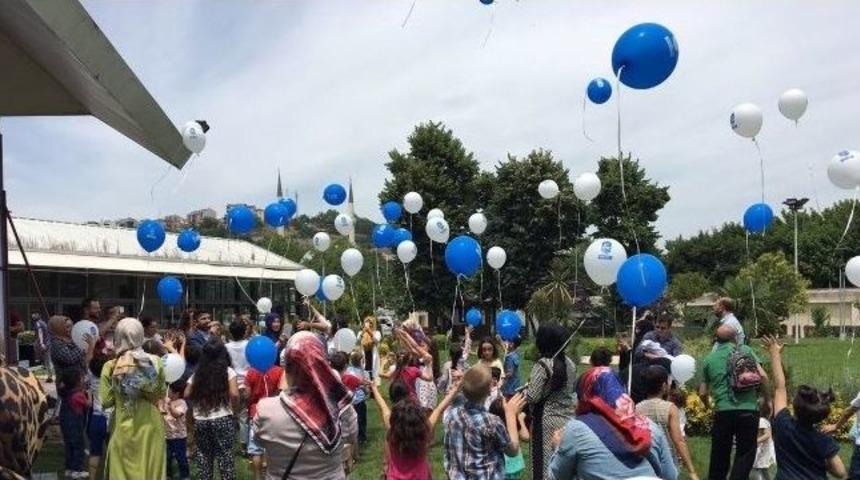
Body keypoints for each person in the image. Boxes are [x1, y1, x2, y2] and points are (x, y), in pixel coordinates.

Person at [253, 331, 357, 480]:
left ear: (287, 369)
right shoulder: (341, 406)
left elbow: (259, 441)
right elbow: (350, 436)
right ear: (322, 365)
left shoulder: (266, 410)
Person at [549, 366, 678, 480]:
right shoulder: (649, 427)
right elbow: (671, 476)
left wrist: (557, 448)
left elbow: (557, 476)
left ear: (585, 394)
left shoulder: (577, 429)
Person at [763, 336, 846, 479]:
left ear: (795, 407)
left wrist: (775, 354)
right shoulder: (823, 441)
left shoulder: (783, 425)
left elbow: (779, 388)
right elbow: (841, 473)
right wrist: (819, 462)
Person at [99, 317, 167, 480]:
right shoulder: (156, 361)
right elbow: (159, 394)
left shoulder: (110, 366)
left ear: (118, 336)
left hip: (123, 428)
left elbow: (106, 401)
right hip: (150, 428)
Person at [699, 324, 768, 480]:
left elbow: (703, 392)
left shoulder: (709, 359)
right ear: (735, 338)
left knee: (719, 455)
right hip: (749, 409)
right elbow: (763, 376)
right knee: (745, 454)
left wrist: (708, 406)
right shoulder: (746, 351)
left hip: (723, 411)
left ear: (716, 340)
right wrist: (767, 400)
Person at [443, 365, 526, 480]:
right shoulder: (491, 422)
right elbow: (513, 450)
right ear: (489, 391)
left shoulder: (452, 415)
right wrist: (510, 414)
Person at [371, 375, 462, 479]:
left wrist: (374, 388)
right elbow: (438, 409)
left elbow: (383, 406)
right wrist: (455, 389)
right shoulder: (425, 430)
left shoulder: (392, 428)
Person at [525, 324, 577, 480]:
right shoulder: (570, 364)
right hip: (567, 419)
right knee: (562, 462)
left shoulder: (543, 364)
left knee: (543, 464)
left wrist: (526, 389)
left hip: (545, 421)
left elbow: (532, 396)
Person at [185, 338, 239, 480]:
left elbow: (186, 393)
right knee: (225, 457)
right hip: (223, 417)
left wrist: (199, 396)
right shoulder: (228, 372)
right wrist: (235, 411)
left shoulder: (198, 374)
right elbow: (234, 394)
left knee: (204, 457)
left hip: (201, 419)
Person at [635, 365, 700, 480]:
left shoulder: (637, 408)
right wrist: (691, 470)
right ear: (664, 386)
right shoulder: (670, 408)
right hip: (667, 459)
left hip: (645, 460)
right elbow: (679, 441)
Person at [245, 359, 284, 480]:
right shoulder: (279, 371)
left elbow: (247, 394)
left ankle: (257, 477)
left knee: (256, 448)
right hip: (274, 411)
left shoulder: (251, 372)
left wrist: (249, 403)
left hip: (255, 411)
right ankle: (269, 475)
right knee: (270, 446)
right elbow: (282, 391)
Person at [487, 397, 530, 480]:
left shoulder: (492, 427)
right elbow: (526, 437)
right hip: (515, 466)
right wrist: (519, 418)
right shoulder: (513, 426)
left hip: (502, 468)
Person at [59, 367, 90, 479]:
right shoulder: (78, 395)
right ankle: (77, 470)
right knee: (78, 446)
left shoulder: (64, 393)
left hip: (65, 424)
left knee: (69, 446)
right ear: (77, 382)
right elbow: (88, 405)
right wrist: (89, 395)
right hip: (75, 425)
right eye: (81, 379)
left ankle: (69, 469)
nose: (83, 380)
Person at [225, 320, 250, 450]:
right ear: (245, 331)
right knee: (244, 417)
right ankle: (244, 445)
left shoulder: (226, 347)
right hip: (247, 383)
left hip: (232, 383)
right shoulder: (249, 345)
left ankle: (227, 442)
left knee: (230, 414)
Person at [87, 354, 112, 480]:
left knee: (95, 452)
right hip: (112, 418)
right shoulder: (113, 378)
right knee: (113, 453)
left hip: (97, 418)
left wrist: (91, 344)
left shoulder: (91, 377)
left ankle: (92, 478)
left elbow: (89, 362)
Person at [160, 381, 190, 480]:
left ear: (177, 393)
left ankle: (185, 475)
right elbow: (160, 411)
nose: (168, 393)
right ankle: (168, 475)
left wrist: (170, 405)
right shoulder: (165, 401)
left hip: (179, 437)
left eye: (170, 391)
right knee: (166, 457)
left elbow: (176, 415)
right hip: (166, 436)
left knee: (181, 457)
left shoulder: (182, 403)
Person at [345, 350, 369, 445]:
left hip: (350, 399)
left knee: (353, 419)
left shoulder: (348, 370)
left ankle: (354, 437)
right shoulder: (362, 372)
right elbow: (364, 387)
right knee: (361, 419)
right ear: (361, 361)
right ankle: (361, 437)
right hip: (359, 399)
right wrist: (366, 391)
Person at [751, 399, 775, 480]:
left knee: (759, 468)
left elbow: (767, 435)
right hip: (764, 449)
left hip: (763, 449)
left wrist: (755, 441)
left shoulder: (762, 421)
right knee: (763, 469)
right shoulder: (764, 420)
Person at [34, 312, 54, 382]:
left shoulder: (38, 323)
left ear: (39, 315)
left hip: (45, 344)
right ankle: (50, 376)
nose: (33, 315)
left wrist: (42, 343)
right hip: (48, 343)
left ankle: (50, 376)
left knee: (48, 360)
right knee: (48, 360)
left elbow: (40, 333)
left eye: (35, 314)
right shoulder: (43, 322)